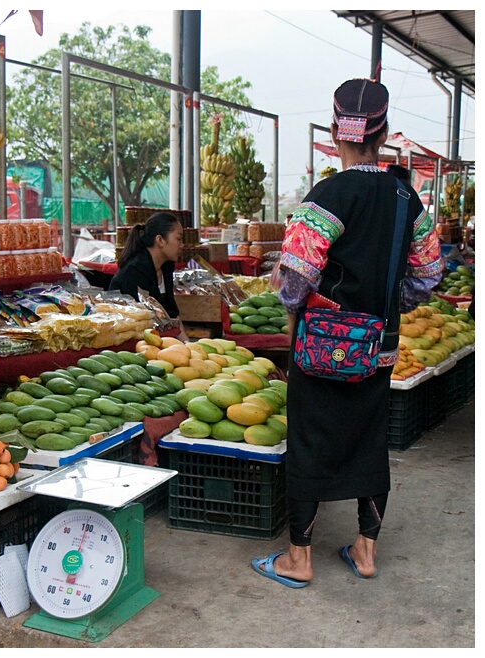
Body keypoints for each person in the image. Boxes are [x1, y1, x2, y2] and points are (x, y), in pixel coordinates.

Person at [252, 78, 443, 588]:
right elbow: (428, 273)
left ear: (337, 131)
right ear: (382, 135)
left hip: (321, 346)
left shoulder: (328, 195)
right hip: (378, 347)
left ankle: (299, 558)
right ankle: (364, 549)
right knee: (367, 438)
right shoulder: (409, 198)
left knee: (310, 440)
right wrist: (384, 308)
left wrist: (297, 312)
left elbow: (295, 275)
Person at [109, 211, 187, 337]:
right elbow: (142, 321)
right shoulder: (134, 271)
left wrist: (187, 344)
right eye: (178, 238)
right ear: (160, 240)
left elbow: (172, 313)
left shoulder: (166, 266)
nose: (182, 245)